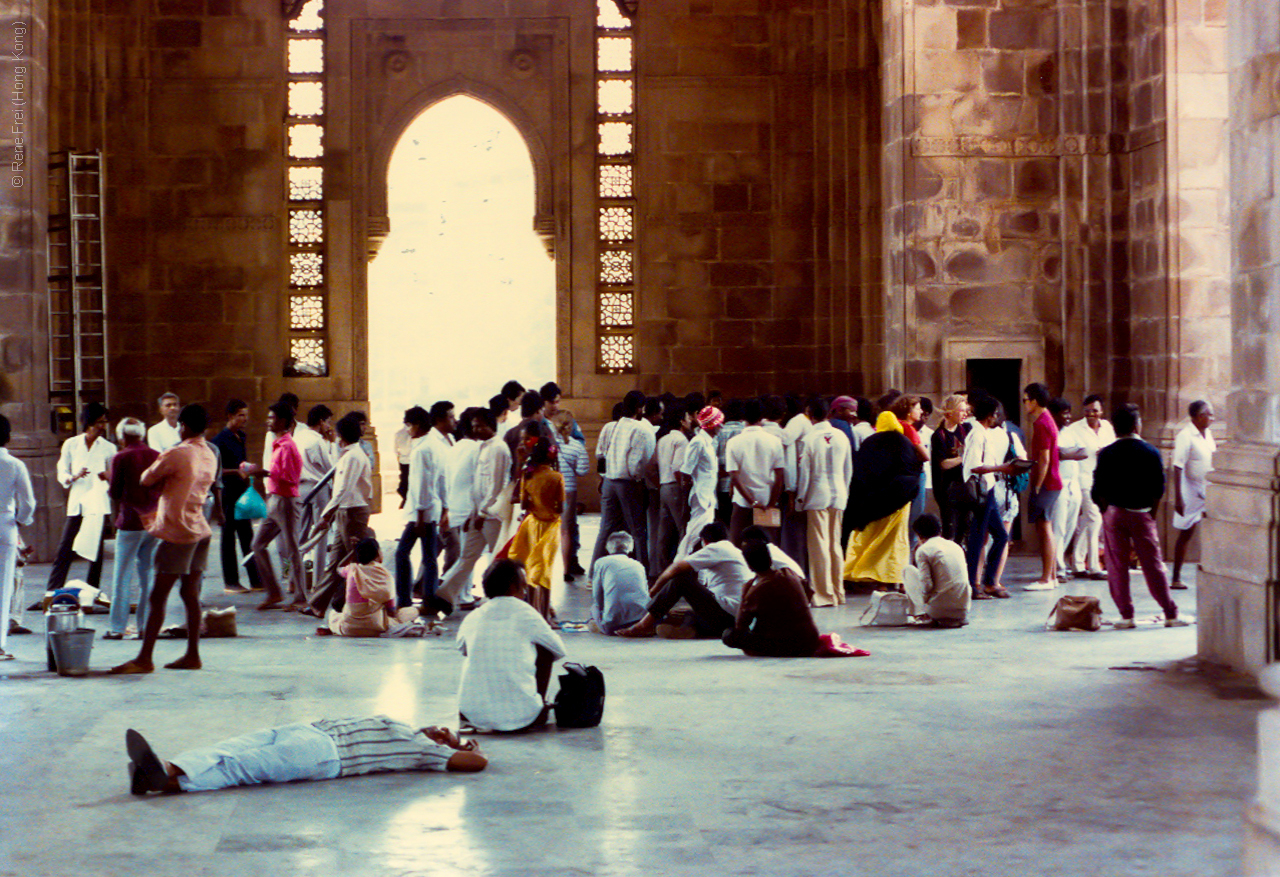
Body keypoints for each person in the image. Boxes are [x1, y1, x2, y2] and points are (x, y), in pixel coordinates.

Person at [111, 404, 220, 674]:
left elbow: (147, 479)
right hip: (200, 528)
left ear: (183, 425)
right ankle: (192, 654)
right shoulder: (209, 453)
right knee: (190, 593)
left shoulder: (178, 452)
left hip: (178, 531)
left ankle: (145, 658)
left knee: (158, 595)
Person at [124, 718, 486, 795]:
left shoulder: (422, 752)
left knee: (241, 768)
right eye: (442, 728)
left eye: (447, 737)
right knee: (231, 746)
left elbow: (477, 763)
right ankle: (167, 767)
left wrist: (468, 748)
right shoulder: (407, 727)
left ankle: (168, 782)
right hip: (309, 729)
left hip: (325, 754)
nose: (439, 732)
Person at [1092, 403, 1189, 629]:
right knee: (1152, 564)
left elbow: (1097, 488)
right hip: (1142, 513)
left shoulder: (1106, 453)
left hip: (1114, 513)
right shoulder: (1151, 452)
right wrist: (1152, 513)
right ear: (1137, 425)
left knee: (1116, 565)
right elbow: (1158, 488)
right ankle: (1170, 613)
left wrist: (1105, 509)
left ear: (1115, 428)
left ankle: (1126, 615)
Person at [456, 559, 567, 733]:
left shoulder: (473, 616)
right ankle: (534, 704)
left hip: (472, 714)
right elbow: (558, 649)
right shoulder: (525, 612)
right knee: (545, 649)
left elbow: (462, 648)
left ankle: (481, 700)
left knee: (477, 649)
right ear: (512, 587)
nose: (525, 592)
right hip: (523, 717)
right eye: (522, 586)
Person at [617, 522, 751, 640]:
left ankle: (643, 625)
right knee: (682, 612)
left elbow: (676, 568)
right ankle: (689, 630)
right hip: (737, 619)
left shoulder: (717, 548)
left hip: (727, 617)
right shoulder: (735, 551)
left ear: (704, 542)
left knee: (681, 580)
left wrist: (654, 590)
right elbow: (704, 595)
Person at [842, 411, 921, 590]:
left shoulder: (870, 443)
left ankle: (872, 578)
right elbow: (912, 468)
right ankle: (896, 580)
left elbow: (860, 473)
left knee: (872, 539)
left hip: (874, 501)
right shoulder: (905, 442)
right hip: (900, 500)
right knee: (897, 541)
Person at [305, 413, 374, 615]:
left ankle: (363, 604)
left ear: (341, 435)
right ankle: (317, 604)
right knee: (336, 561)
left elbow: (343, 490)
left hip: (353, 512)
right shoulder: (347, 455)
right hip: (345, 511)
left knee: (359, 561)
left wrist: (325, 516)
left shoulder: (354, 457)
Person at [49, 401, 116, 591]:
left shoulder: (109, 448)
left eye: (104, 422)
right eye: (98, 422)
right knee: (65, 548)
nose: (102, 426)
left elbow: (114, 476)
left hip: (98, 504)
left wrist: (108, 476)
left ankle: (92, 592)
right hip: (78, 501)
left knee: (96, 552)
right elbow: (62, 470)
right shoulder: (72, 444)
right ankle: (52, 591)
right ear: (88, 422)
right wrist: (73, 477)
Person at [246, 402, 306, 610]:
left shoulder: (288, 446)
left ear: (281, 421)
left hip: (286, 501)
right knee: (257, 545)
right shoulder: (278, 443)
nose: (268, 421)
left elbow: (289, 477)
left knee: (292, 549)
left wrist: (260, 472)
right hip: (275, 499)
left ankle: (300, 597)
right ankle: (274, 592)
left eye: (271, 418)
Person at [105, 418, 160, 639]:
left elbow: (115, 492)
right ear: (142, 434)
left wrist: (108, 479)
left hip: (129, 522)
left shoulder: (120, 457)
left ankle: (117, 627)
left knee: (122, 576)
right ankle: (145, 626)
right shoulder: (155, 455)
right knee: (148, 575)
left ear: (122, 437)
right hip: (152, 521)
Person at [795, 396, 852, 608]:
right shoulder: (842, 437)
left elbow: (805, 474)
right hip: (838, 493)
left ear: (809, 415)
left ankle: (823, 594)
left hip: (816, 496)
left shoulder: (809, 440)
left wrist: (800, 499)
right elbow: (848, 470)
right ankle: (838, 592)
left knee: (819, 546)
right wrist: (844, 492)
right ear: (828, 414)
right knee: (835, 545)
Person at [962, 394, 1020, 599]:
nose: (997, 417)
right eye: (995, 414)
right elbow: (973, 466)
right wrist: (1001, 467)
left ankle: (988, 581)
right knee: (977, 539)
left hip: (990, 488)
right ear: (989, 415)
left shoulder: (984, 433)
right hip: (981, 491)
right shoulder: (977, 435)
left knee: (1002, 536)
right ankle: (973, 584)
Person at [722, 537, 820, 657]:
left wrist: (745, 593)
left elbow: (741, 626)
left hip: (786, 646)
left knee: (729, 635)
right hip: (811, 641)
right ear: (769, 558)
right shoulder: (789, 573)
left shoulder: (755, 590)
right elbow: (809, 591)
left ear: (749, 565)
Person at [591, 390, 654, 571]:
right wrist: (638, 480)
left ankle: (594, 572)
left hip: (610, 481)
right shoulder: (640, 429)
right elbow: (636, 463)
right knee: (638, 531)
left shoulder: (616, 425)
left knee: (605, 529)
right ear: (640, 408)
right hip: (628, 483)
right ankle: (642, 571)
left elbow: (603, 454)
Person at [396, 405, 449, 616]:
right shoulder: (437, 445)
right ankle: (429, 598)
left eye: (408, 425)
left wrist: (419, 515)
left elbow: (421, 485)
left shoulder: (421, 450)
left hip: (422, 512)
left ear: (417, 425)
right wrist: (444, 507)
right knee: (429, 557)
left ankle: (404, 599)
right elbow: (442, 479)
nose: (408, 430)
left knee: (402, 554)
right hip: (433, 508)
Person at [1060, 394, 1115, 579]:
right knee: (1094, 518)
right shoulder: (1075, 429)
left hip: (1103, 480)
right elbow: (1063, 449)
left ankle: (1077, 563)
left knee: (1086, 522)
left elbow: (1113, 447)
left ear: (1101, 411)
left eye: (1095, 410)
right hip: (1083, 479)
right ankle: (1093, 567)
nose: (1091, 414)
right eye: (1088, 411)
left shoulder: (1107, 427)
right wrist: (1080, 453)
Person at [509, 434, 564, 621]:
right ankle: (544, 616)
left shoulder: (528, 474)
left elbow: (523, 505)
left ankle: (533, 612)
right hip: (550, 525)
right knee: (545, 569)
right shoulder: (557, 477)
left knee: (532, 567)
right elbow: (561, 507)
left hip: (531, 524)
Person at [210, 400, 261, 593]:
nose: (244, 419)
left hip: (242, 493)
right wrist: (236, 472)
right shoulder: (219, 441)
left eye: (246, 415)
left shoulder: (241, 436)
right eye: (240, 415)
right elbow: (216, 471)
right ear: (230, 416)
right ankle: (230, 581)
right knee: (228, 537)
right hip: (228, 494)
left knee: (247, 535)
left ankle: (256, 578)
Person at [724, 398, 785, 544]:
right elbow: (780, 476)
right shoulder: (774, 441)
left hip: (742, 502)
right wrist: (771, 502)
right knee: (768, 547)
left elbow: (734, 476)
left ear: (743, 417)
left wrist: (752, 501)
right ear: (762, 417)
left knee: (737, 546)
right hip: (767, 499)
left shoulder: (734, 442)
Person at [1171, 400, 1216, 589]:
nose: (1212, 418)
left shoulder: (1208, 434)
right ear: (1198, 416)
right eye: (1209, 414)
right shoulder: (1185, 435)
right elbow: (1177, 466)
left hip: (1208, 488)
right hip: (1190, 490)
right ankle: (1175, 577)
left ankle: (1213, 570)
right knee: (1186, 532)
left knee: (1214, 528)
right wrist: (1178, 498)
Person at [0, 415, 35, 661]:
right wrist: (21, 519)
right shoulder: (14, 464)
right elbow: (29, 503)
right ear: (8, 437)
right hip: (4, 525)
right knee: (3, 588)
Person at [1022, 382, 1062, 590]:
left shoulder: (1042, 423)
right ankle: (1051, 576)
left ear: (1035, 401)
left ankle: (1047, 578)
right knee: (1045, 526)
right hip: (1051, 481)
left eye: (1026, 400)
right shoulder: (1047, 420)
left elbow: (1044, 458)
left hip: (1047, 482)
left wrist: (1037, 484)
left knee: (1044, 527)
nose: (1025, 404)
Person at [319, 537, 399, 637]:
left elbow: (339, 567)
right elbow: (391, 611)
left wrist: (353, 551)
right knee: (408, 613)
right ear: (377, 554)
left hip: (348, 629)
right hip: (376, 628)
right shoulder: (384, 574)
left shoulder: (352, 569)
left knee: (333, 615)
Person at [904, 514, 971, 628]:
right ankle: (950, 616)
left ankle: (920, 615)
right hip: (963, 609)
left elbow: (927, 585)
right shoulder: (955, 546)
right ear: (939, 530)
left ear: (919, 535)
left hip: (938, 611)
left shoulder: (923, 550)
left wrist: (925, 604)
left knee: (908, 571)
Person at [1048, 398, 1087, 581]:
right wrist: (1066, 453)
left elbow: (1084, 452)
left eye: (1069, 412)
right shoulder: (1050, 430)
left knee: (1070, 526)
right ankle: (1057, 568)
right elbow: (1054, 455)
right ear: (1055, 414)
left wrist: (1064, 453)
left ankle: (1060, 562)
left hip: (1073, 483)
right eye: (1064, 413)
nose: (1068, 417)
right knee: (1058, 527)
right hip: (1059, 484)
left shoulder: (1071, 432)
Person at [677, 406, 723, 559]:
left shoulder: (708, 442)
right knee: (693, 535)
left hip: (708, 497)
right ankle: (681, 563)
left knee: (701, 535)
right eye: (719, 423)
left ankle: (697, 571)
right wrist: (685, 502)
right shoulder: (698, 442)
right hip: (700, 497)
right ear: (712, 425)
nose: (721, 426)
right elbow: (686, 472)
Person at [552, 409, 590, 581]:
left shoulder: (547, 444)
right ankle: (566, 570)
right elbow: (583, 470)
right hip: (568, 489)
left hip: (549, 487)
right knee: (566, 531)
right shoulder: (577, 446)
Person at [654, 403, 691, 575]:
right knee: (683, 529)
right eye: (688, 417)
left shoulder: (662, 439)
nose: (691, 420)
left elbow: (652, 465)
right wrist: (685, 487)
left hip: (663, 487)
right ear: (682, 421)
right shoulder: (681, 440)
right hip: (675, 488)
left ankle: (663, 569)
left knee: (664, 532)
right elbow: (678, 468)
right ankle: (682, 570)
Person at [930, 393, 972, 545]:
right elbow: (944, 464)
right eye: (961, 410)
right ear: (950, 412)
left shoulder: (966, 429)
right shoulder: (939, 435)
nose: (965, 414)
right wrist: (965, 457)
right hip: (946, 488)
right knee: (950, 529)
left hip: (965, 486)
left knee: (966, 525)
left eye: (966, 410)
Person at [589, 531, 649, 634]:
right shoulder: (638, 565)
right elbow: (645, 592)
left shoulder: (601, 562)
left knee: (594, 608)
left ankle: (600, 625)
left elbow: (597, 595)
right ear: (630, 548)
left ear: (608, 547)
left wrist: (602, 610)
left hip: (613, 625)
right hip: (641, 619)